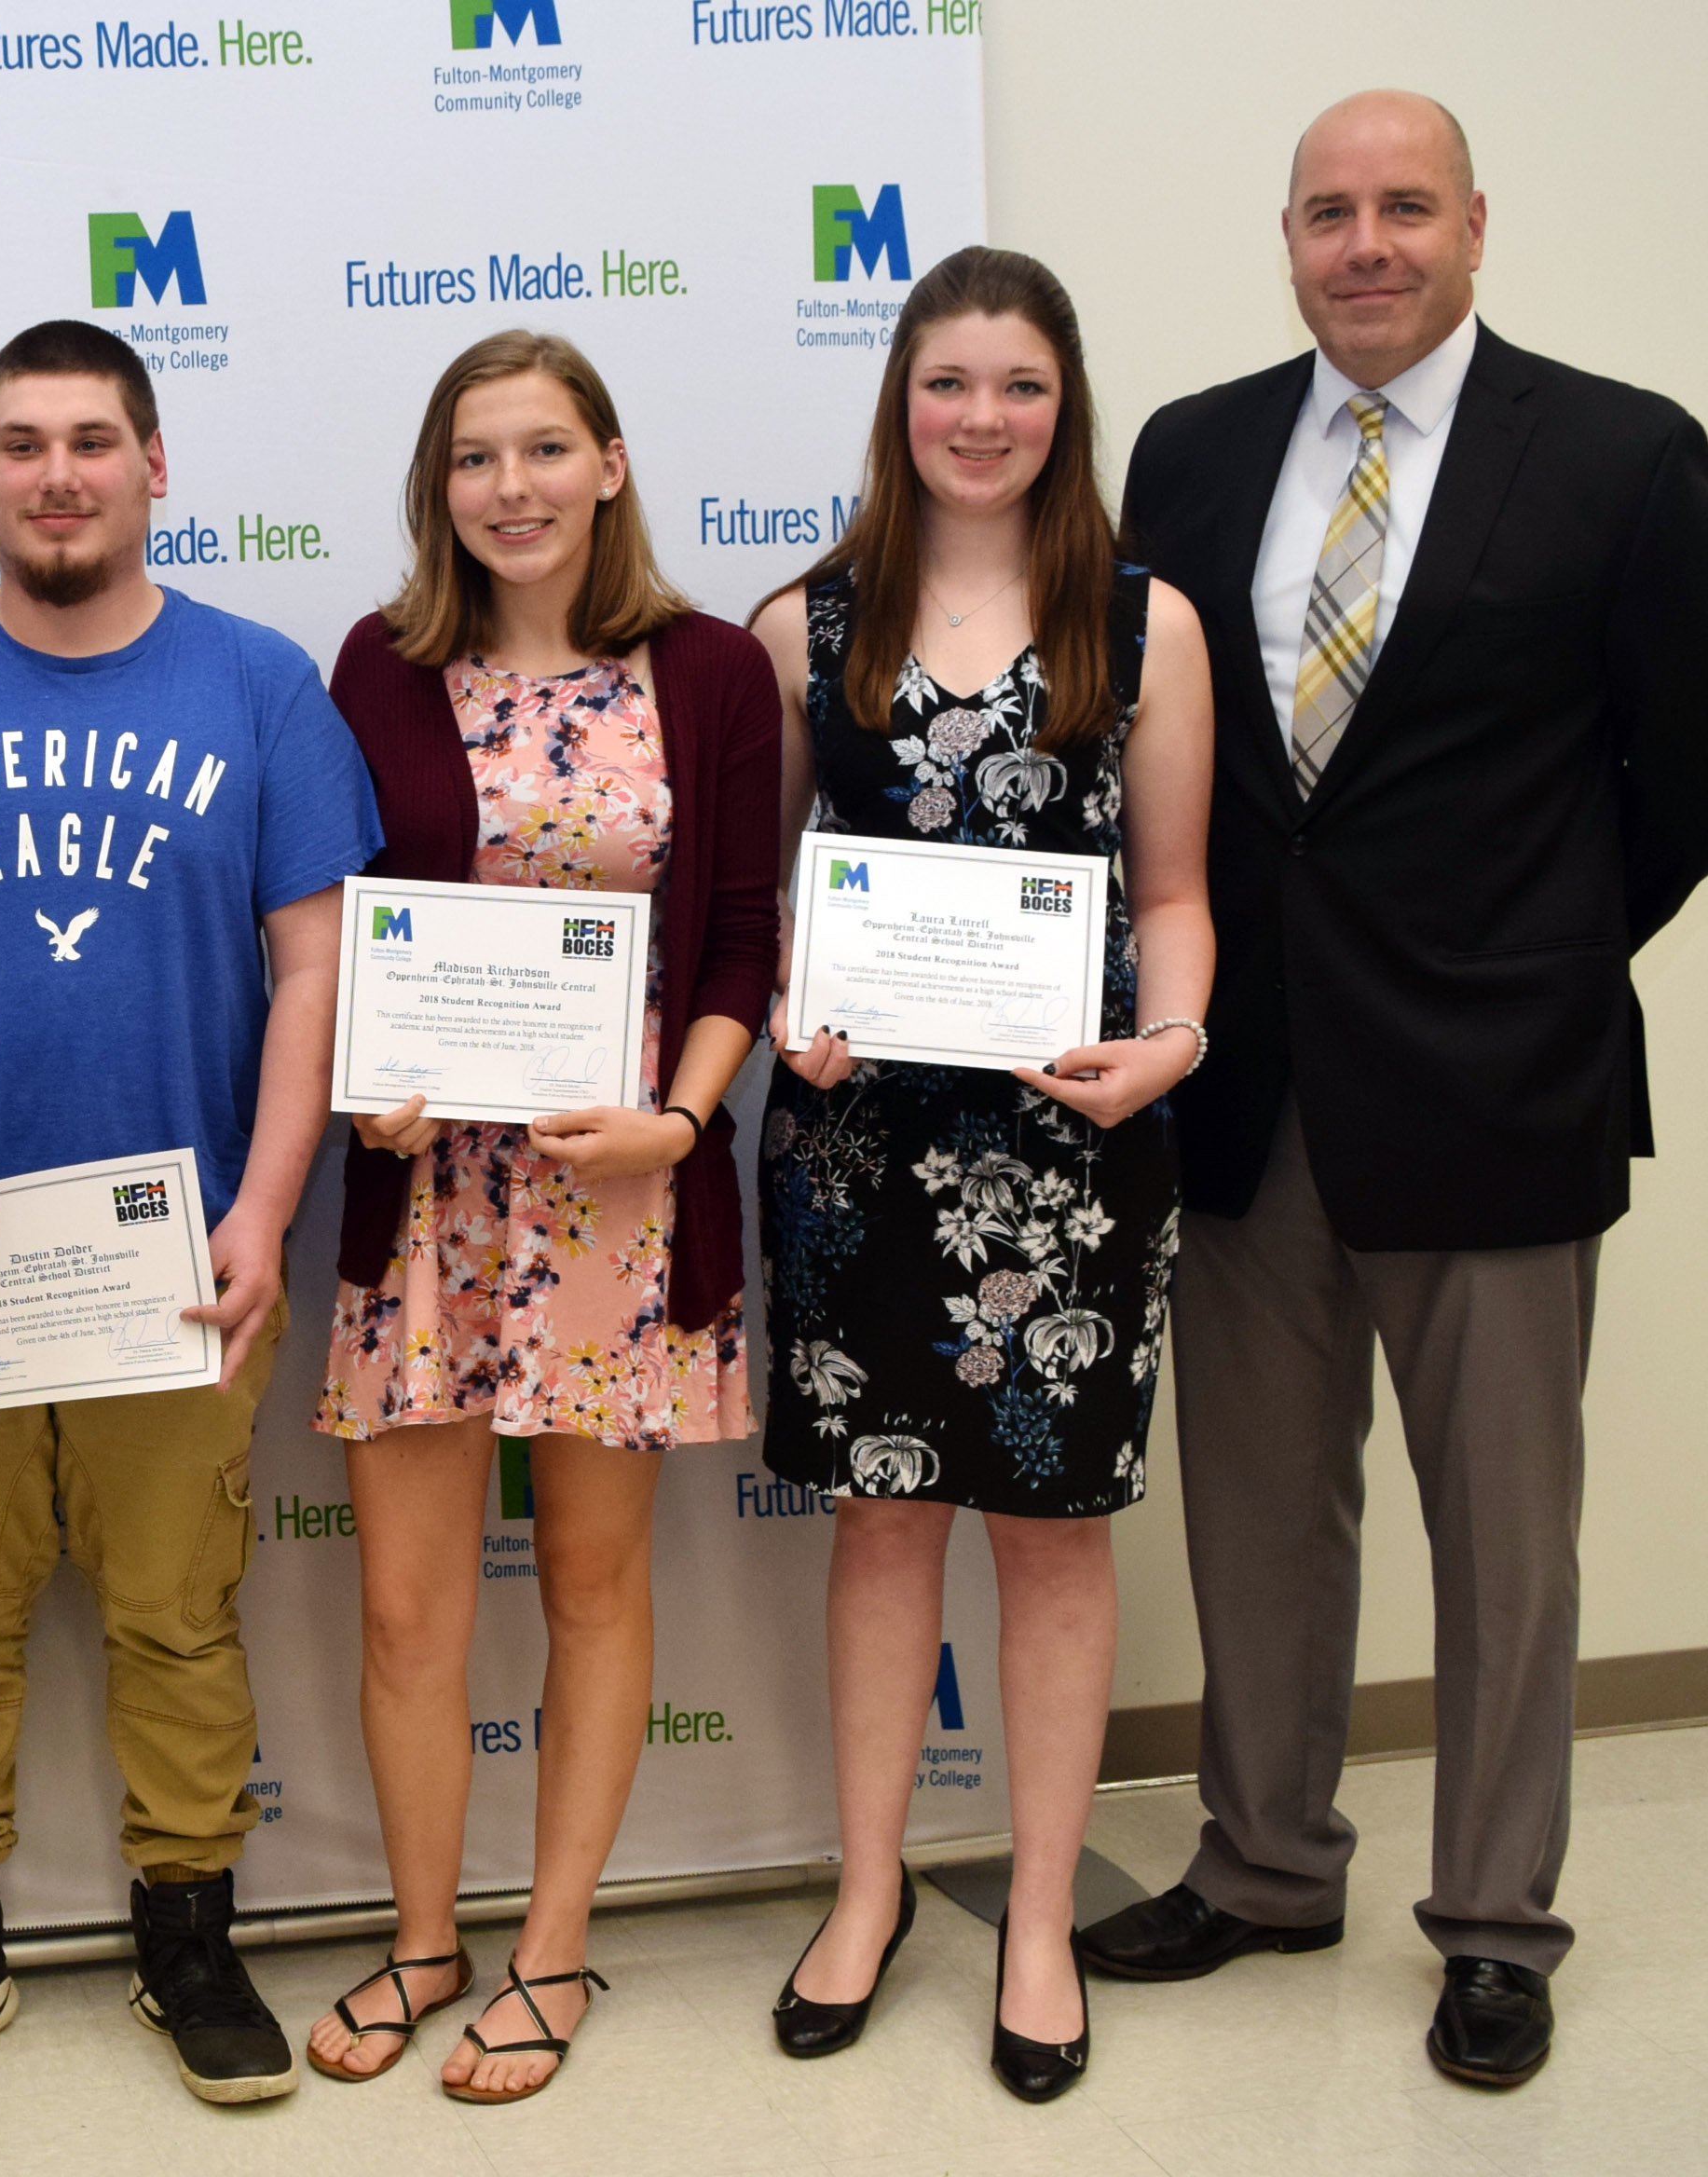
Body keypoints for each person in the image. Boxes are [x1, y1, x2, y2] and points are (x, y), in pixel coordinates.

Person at [1077, 90, 1708, 2091]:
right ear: (1285, 237)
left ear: (1475, 226)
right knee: (1261, 1514)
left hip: (1499, 1082)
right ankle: (1265, 1858)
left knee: (1505, 1539)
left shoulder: (1624, 455)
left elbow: (1679, 779)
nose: (1368, 243)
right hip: (1245, 1080)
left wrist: (1529, 958)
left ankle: (1501, 1923)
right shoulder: (1189, 451)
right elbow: (1162, 763)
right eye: (1330, 211)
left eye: (1405, 207)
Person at [0, 319, 381, 2111]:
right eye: (24, 444)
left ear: (155, 466)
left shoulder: (262, 687)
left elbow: (311, 967)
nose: (59, 474)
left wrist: (270, 1207)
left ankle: (185, 1929)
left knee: (179, 1612)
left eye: (93, 441)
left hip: (173, 1261)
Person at [752, 246, 1216, 2104]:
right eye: (948, 382)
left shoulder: (1140, 617)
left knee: (1054, 1534)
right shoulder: (808, 614)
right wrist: (790, 1006)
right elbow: (763, 899)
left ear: (1063, 402)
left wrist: (1169, 1042)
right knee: (878, 1519)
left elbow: (1174, 894)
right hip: (860, 1146)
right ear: (899, 397)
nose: (981, 418)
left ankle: (1033, 1916)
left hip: (1074, 1144)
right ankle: (869, 1891)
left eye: (1018, 386)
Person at [302, 330, 779, 2104]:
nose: (511, 486)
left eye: (543, 450)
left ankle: (553, 1950)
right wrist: (365, 1077)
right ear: (440, 488)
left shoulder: (715, 672)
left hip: (623, 1206)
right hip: (424, 1202)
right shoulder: (379, 660)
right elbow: (338, 919)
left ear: (611, 464)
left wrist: (676, 1117)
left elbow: (738, 937)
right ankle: (424, 1940)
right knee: (409, 1612)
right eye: (475, 457)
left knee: (591, 1585)